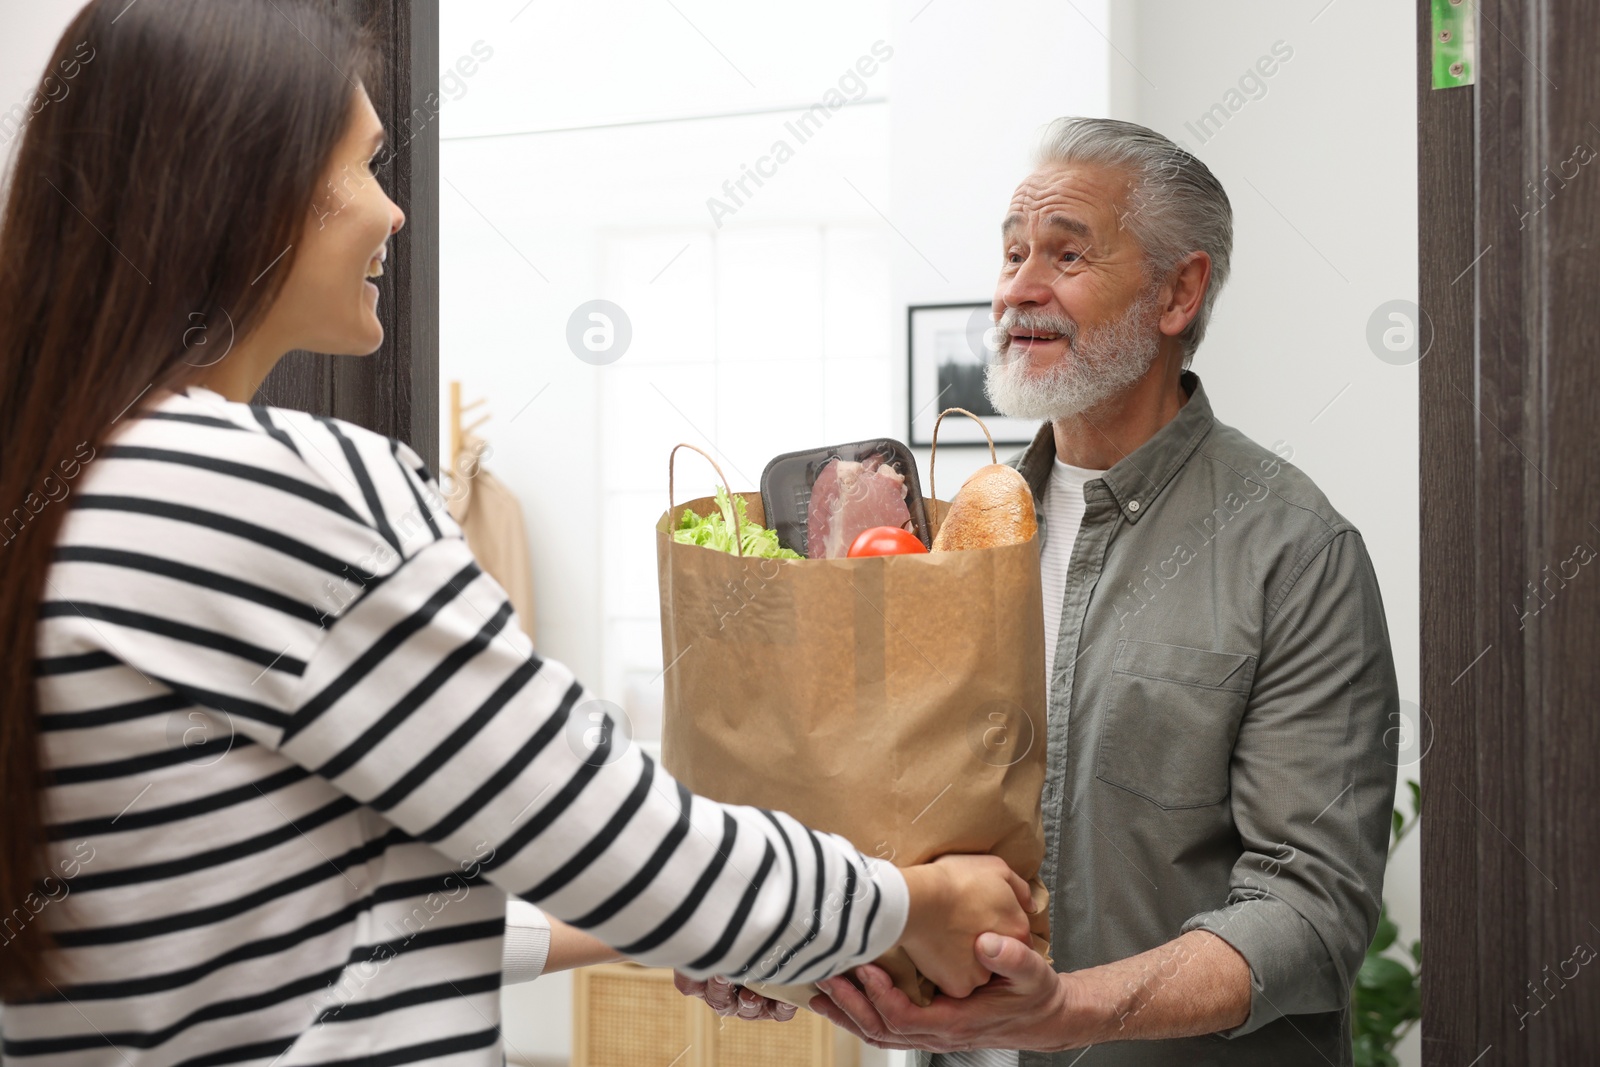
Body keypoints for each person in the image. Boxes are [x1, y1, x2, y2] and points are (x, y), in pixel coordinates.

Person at [0, 3, 1035, 1062]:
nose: (394, 212)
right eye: (364, 165)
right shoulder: (277, 488)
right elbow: (621, 837)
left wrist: (752, 923)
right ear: (249, 189)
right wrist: (916, 901)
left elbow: (306, 925)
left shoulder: (64, 489)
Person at [686, 117, 1401, 1066]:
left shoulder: (1297, 551)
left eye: (1067, 254)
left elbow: (1310, 918)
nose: (1019, 287)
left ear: (1178, 291)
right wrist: (785, 934)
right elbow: (883, 810)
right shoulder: (944, 538)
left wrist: (1061, 1010)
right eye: (1014, 252)